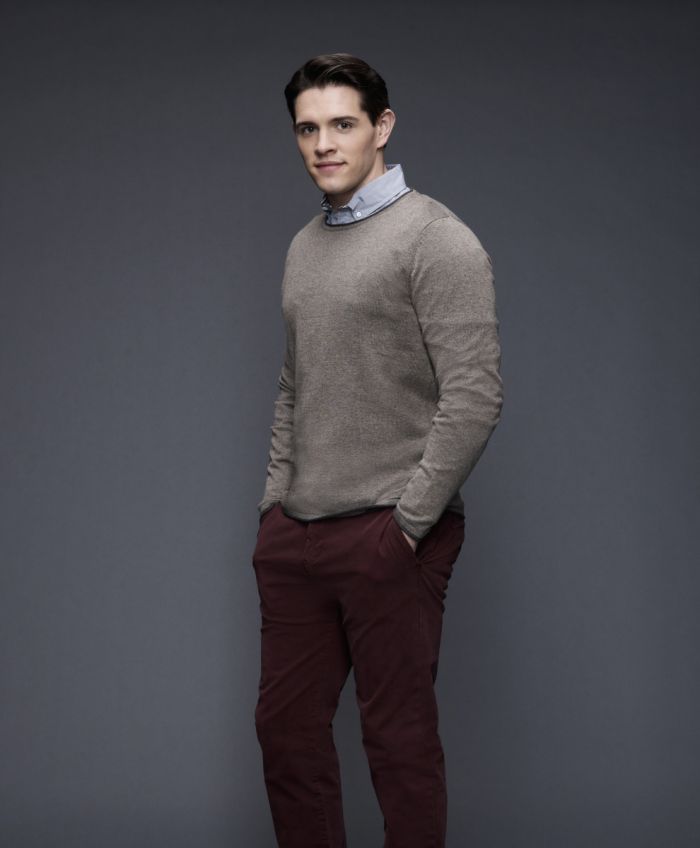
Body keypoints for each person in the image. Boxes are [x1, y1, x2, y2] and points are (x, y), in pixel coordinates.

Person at [251, 52, 504, 848]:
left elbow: (475, 397)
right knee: (286, 737)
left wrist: (407, 525)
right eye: (307, 129)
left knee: (398, 745)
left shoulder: (437, 240)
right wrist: (273, 509)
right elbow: (294, 386)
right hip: (298, 536)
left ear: (382, 127)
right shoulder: (303, 247)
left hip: (389, 532)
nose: (324, 144)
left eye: (342, 124)